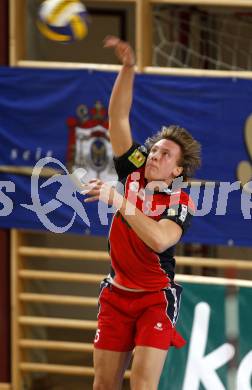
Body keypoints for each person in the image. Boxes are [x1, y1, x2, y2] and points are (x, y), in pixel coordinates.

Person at [83, 36, 201, 390]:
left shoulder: (180, 201)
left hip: (154, 298)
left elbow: (159, 238)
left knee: (142, 385)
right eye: (155, 150)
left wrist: (121, 203)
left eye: (166, 155)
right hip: (117, 294)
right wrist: (129, 68)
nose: (154, 156)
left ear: (176, 172)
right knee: (104, 385)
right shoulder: (132, 170)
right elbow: (117, 116)